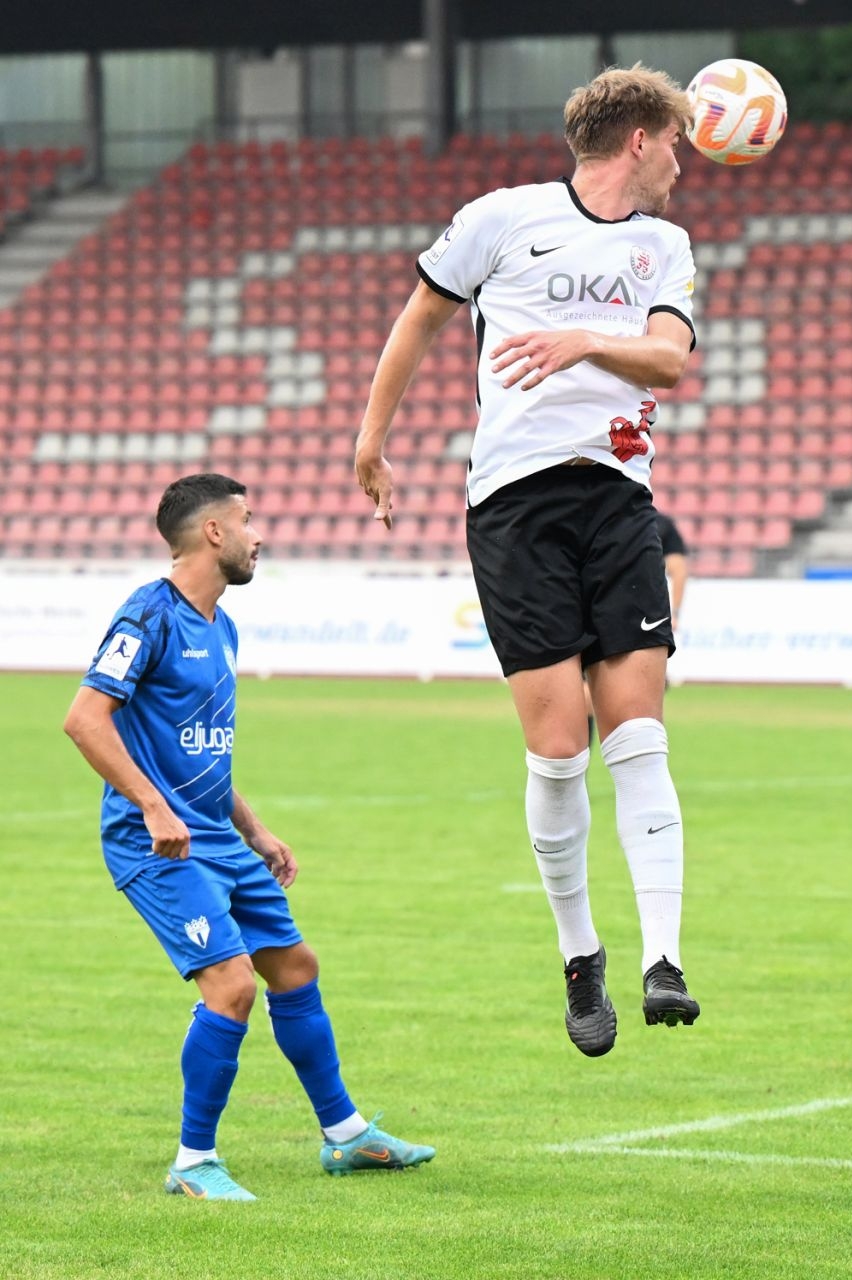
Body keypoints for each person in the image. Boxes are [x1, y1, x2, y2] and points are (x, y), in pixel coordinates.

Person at [354, 63, 702, 1055]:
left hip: (618, 502)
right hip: (514, 507)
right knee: (557, 747)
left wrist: (582, 341)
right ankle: (580, 954)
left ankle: (664, 960)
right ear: (639, 138)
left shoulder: (665, 246)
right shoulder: (501, 219)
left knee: (639, 732)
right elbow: (419, 320)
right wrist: (371, 440)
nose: (682, 166)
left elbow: (671, 360)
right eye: (676, 145)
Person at [61, 474, 434, 1202]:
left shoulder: (222, 627)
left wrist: (254, 829)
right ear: (213, 532)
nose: (258, 536)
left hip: (218, 839)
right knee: (231, 987)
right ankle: (192, 1162)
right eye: (248, 520)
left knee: (294, 967)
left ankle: (346, 1134)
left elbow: (198, 751)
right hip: (156, 843)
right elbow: (83, 719)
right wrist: (152, 808)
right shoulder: (149, 615)